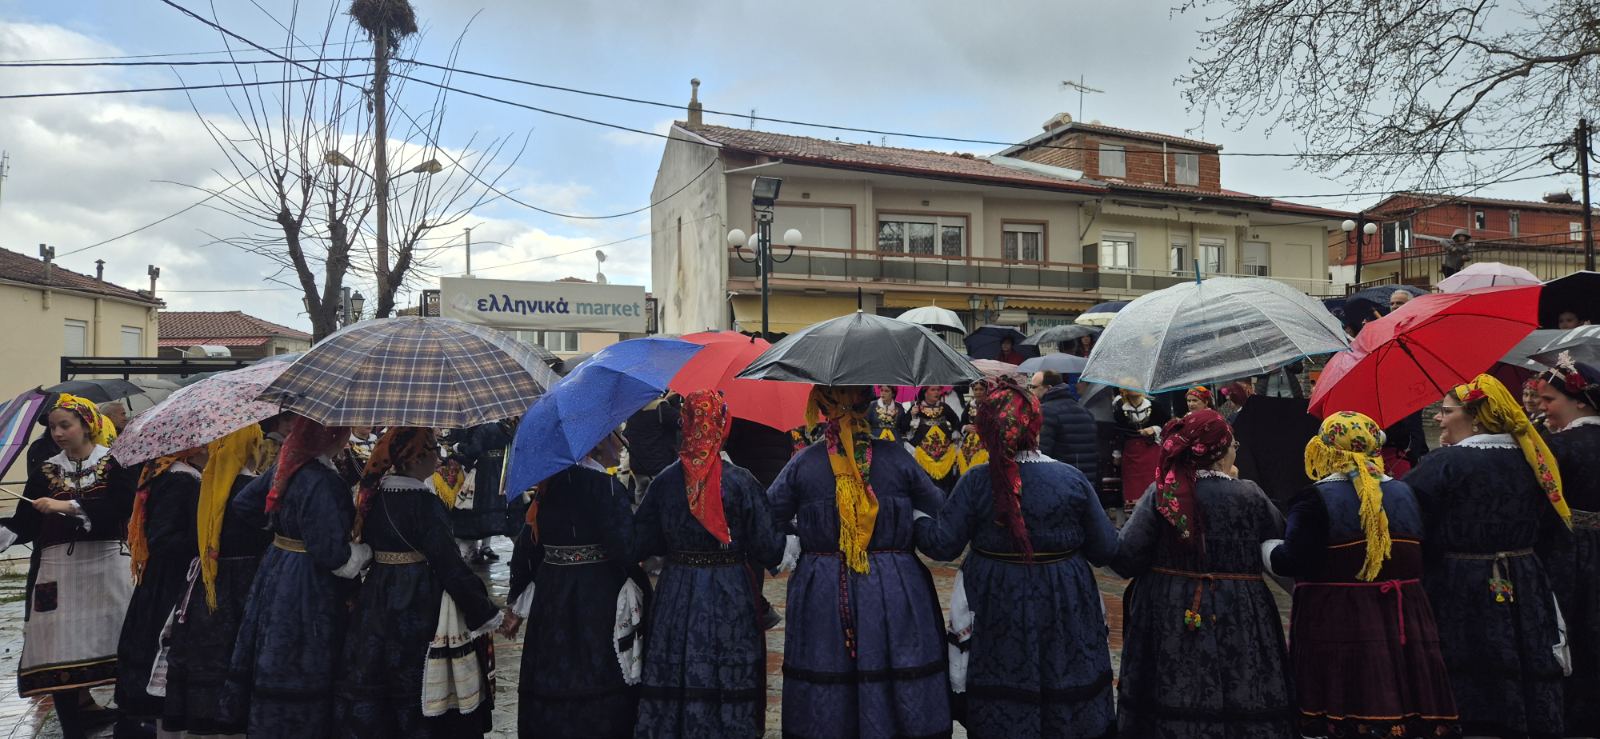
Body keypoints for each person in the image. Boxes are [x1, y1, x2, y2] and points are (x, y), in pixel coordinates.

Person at [915, 377, 1118, 738]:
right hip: (1064, 596)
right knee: (1064, 681)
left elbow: (943, 544)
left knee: (1003, 693)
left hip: (997, 598)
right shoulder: (1070, 479)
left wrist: (914, 515)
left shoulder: (976, 481)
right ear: (1035, 424)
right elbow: (1105, 548)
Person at [768, 386, 951, 739]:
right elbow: (939, 506)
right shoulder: (898, 457)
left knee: (828, 669)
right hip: (894, 582)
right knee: (893, 668)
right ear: (867, 407)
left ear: (823, 408)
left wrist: (799, 536)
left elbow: (768, 516)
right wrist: (910, 524)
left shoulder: (804, 463)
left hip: (823, 587)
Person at [1264, 411, 1459, 738]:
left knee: (1344, 703)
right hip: (1403, 614)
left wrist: (1267, 547)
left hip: (1336, 616)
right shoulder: (1409, 494)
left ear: (1324, 449)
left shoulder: (1313, 500)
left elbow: (1291, 560)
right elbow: (1432, 553)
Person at [1112, 409, 1294, 737]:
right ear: (1220, 452)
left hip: (1169, 609)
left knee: (1175, 684)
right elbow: (1281, 549)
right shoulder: (1250, 495)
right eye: (1233, 445)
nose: (1235, 450)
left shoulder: (1162, 494)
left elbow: (1126, 558)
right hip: (1241, 611)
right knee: (1242, 679)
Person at [1406, 374, 1569, 738]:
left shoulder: (1446, 464)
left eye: (1447, 411)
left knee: (1468, 662)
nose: (1439, 418)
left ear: (1476, 417)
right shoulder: (1533, 457)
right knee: (1520, 653)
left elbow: (1407, 516)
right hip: (1524, 576)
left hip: (1459, 582)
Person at [632, 391, 786, 738]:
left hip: (677, 591)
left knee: (679, 662)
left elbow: (641, 542)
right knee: (729, 665)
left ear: (684, 424)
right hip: (731, 591)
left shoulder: (664, 482)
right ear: (722, 426)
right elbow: (770, 547)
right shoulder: (742, 482)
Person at [336, 427, 501, 737]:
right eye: (433, 450)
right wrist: (484, 611)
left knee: (378, 671)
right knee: (414, 679)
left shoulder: (375, 497)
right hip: (417, 598)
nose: (439, 457)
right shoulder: (425, 504)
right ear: (414, 459)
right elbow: (449, 565)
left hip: (377, 596)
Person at [220, 417, 372, 737]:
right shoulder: (324, 481)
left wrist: (280, 531)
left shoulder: (286, 466)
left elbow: (244, 503)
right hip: (308, 579)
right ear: (332, 437)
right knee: (303, 647)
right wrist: (362, 554)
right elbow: (331, 553)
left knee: (275, 645)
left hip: (277, 566)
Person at [0, 395, 133, 738]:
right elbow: (26, 525)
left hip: (106, 566)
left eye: (65, 425)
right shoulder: (45, 471)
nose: (57, 433)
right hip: (58, 570)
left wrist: (67, 506)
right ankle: (74, 725)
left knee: (118, 639)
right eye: (53, 427)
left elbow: (122, 508)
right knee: (58, 644)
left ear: (87, 425)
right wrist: (4, 532)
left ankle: (128, 719)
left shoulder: (114, 463)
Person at [502, 433, 645, 739]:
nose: (618, 444)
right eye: (612, 437)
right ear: (595, 443)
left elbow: (528, 546)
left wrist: (516, 601)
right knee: (597, 671)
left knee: (555, 669)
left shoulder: (549, 486)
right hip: (597, 594)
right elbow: (625, 549)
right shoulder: (605, 487)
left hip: (553, 594)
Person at [161, 425, 272, 738]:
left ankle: (207, 719)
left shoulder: (204, 485)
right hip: (247, 583)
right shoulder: (255, 489)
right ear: (251, 447)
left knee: (208, 656)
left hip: (206, 583)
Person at [115, 445, 209, 736]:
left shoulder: (165, 473)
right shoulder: (181, 479)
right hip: (172, 582)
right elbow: (163, 537)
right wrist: (204, 543)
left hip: (161, 579)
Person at [1540, 357, 1600, 735]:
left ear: (1579, 401)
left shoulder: (1557, 447)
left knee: (1570, 630)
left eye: (1550, 399)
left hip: (1569, 552)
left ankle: (1574, 716)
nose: (1543, 407)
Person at [448, 420, 514, 563]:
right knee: (505, 512)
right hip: (502, 472)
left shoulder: (482, 429)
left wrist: (459, 447)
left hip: (485, 474)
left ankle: (467, 553)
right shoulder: (504, 428)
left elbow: (474, 451)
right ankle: (488, 547)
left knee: (474, 510)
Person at [1033, 371, 1099, 484]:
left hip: (1060, 481)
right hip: (1086, 481)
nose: (1031, 391)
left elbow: (1042, 452)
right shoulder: (1085, 412)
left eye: (1034, 387)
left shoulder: (1046, 411)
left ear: (1048, 388)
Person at [1111, 389, 1168, 515]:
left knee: (1154, 482)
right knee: (1133, 488)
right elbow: (1117, 434)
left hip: (1151, 451)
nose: (1134, 389)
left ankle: (1157, 512)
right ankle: (1135, 516)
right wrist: (1117, 453)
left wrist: (1154, 429)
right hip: (1131, 454)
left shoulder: (1156, 407)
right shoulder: (1120, 412)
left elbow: (1167, 424)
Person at [901, 386, 963, 494]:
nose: (936, 392)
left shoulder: (944, 407)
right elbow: (903, 427)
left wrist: (955, 431)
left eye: (938, 390)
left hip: (944, 452)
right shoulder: (916, 407)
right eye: (933, 390)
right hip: (923, 453)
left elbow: (956, 420)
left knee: (946, 482)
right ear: (925, 393)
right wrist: (911, 415)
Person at [624, 393, 683, 501]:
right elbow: (682, 422)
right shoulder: (661, 408)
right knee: (663, 502)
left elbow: (626, 434)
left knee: (641, 503)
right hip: (659, 467)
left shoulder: (633, 409)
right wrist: (674, 402)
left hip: (638, 466)